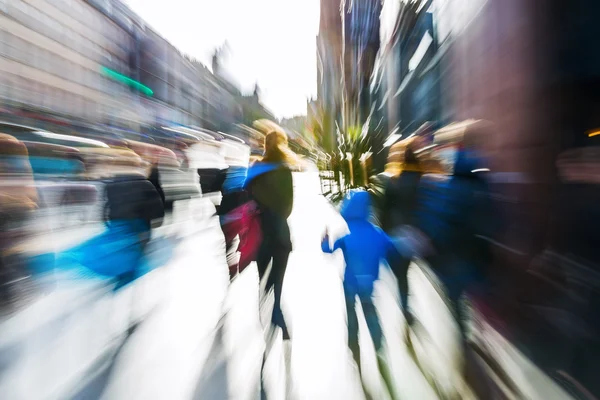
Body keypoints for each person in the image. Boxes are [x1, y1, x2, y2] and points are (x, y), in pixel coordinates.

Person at [322, 190, 399, 398]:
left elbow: (328, 251)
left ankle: (353, 343)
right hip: (368, 285)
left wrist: (324, 238)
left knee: (352, 313)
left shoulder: (345, 235)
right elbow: (392, 246)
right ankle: (377, 341)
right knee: (370, 311)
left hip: (349, 284)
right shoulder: (376, 232)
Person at [244, 128, 296, 340]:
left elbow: (245, 196)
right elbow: (289, 206)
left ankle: (265, 304)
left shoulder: (255, 168)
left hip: (260, 231)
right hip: (281, 232)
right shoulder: (284, 170)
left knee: (262, 275)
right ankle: (276, 308)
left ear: (265, 145)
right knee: (279, 275)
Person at [380, 137, 423, 326]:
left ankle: (404, 304)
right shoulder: (421, 180)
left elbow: (384, 210)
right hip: (414, 232)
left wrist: (384, 232)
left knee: (400, 274)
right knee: (405, 270)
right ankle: (405, 303)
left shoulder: (393, 180)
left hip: (395, 232)